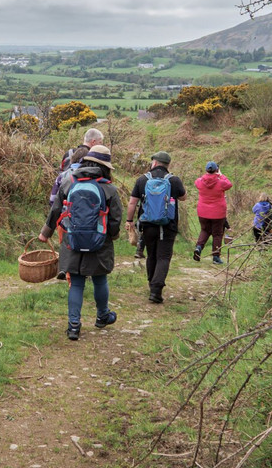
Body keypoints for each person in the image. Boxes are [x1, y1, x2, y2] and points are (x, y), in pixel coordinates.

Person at [39, 144, 123, 340]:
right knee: (100, 278)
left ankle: (74, 326)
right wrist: (112, 235)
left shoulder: (69, 182)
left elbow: (56, 211)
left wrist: (45, 233)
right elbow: (115, 220)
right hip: (100, 241)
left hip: (72, 239)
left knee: (76, 283)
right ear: (105, 167)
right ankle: (102, 316)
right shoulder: (109, 188)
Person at [126, 151, 187, 303]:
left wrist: (129, 220)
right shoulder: (174, 180)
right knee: (164, 257)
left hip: (147, 225)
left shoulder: (142, 180)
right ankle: (156, 290)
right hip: (168, 225)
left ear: (154, 163)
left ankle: (151, 284)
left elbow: (133, 202)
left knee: (151, 255)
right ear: (167, 164)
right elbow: (183, 197)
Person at [193, 160, 233, 265]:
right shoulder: (221, 182)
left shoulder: (200, 181)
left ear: (206, 170)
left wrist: (206, 176)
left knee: (204, 231)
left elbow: (197, 181)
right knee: (217, 234)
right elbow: (229, 184)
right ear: (216, 170)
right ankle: (216, 257)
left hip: (203, 211)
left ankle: (198, 248)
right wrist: (221, 175)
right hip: (218, 213)